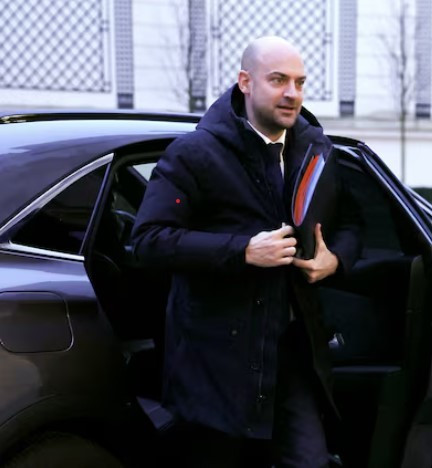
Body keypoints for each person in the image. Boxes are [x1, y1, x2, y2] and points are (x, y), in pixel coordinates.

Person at [131, 36, 361, 467]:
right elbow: (148, 240)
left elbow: (350, 221)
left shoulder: (315, 150)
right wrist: (242, 251)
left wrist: (335, 259)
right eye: (278, 80)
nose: (292, 93)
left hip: (290, 353)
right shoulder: (195, 153)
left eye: (299, 82)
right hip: (215, 361)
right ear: (245, 82)